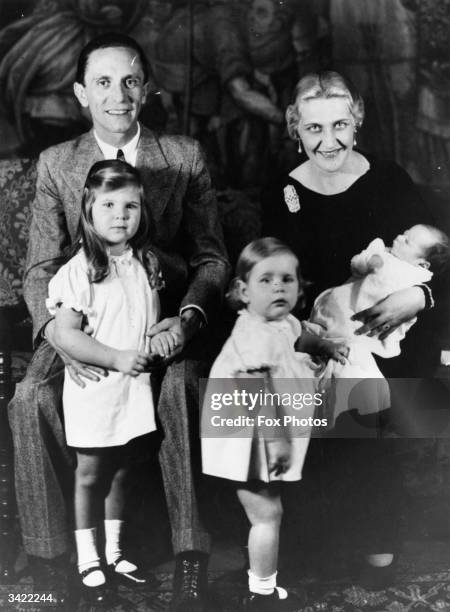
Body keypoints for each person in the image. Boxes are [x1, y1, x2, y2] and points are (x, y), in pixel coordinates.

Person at [8, 32, 229, 611]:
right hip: (79, 318)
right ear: (82, 93)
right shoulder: (57, 164)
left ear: (148, 89)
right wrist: (58, 335)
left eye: (130, 80)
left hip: (161, 322)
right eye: (103, 82)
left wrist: (189, 314)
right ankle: (51, 557)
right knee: (31, 395)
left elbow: (212, 257)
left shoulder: (182, 156)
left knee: (182, 386)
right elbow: (39, 268)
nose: (118, 95)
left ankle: (189, 555)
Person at [263, 70, 444, 585]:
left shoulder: (388, 178)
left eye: (340, 125)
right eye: (315, 128)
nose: (329, 141)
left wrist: (419, 293)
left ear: (357, 121)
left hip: (392, 334)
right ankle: (332, 538)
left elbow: (438, 258)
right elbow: (273, 276)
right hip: (316, 324)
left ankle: (373, 532)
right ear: (296, 128)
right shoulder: (284, 190)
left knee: (359, 387)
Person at [201, 237, 348, 611]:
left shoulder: (282, 321)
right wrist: (277, 440)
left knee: (268, 513)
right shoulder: (253, 333)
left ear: (300, 289)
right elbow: (256, 392)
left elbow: (301, 337)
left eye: (287, 279)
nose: (278, 286)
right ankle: (261, 594)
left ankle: (261, 582)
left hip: (264, 431)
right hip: (253, 435)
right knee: (267, 515)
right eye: (266, 280)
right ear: (242, 291)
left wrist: (325, 347)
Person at [45, 160, 167, 602]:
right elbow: (66, 332)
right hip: (96, 388)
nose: (120, 215)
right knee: (91, 473)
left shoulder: (143, 262)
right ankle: (87, 558)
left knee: (122, 471)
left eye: (131, 206)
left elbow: (145, 319)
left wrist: (162, 330)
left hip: (132, 390)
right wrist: (116, 356)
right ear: (89, 210)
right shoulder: (79, 270)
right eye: (109, 205)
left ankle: (114, 553)